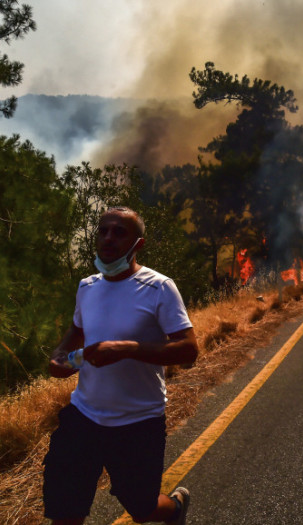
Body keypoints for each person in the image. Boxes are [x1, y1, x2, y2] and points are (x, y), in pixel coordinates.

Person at [43, 206, 199, 525]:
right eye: (103, 231)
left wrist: (128, 349)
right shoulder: (87, 286)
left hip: (138, 422)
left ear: (138, 244)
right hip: (83, 417)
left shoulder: (159, 287)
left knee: (142, 510)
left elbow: (189, 349)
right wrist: (61, 357)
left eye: (119, 231)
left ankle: (176, 508)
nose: (108, 238)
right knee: (65, 512)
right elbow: (76, 333)